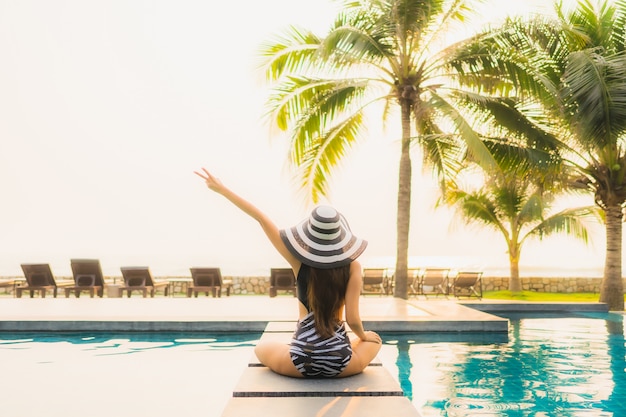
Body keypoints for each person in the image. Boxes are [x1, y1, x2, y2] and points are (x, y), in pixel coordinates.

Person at [194, 167, 382, 378]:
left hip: (300, 363)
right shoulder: (353, 267)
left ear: (309, 236)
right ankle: (349, 346)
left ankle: (310, 349)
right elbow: (353, 319)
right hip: (341, 364)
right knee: (374, 339)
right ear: (340, 238)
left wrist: (222, 189)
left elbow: (262, 220)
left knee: (261, 348)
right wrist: (362, 336)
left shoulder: (298, 262)